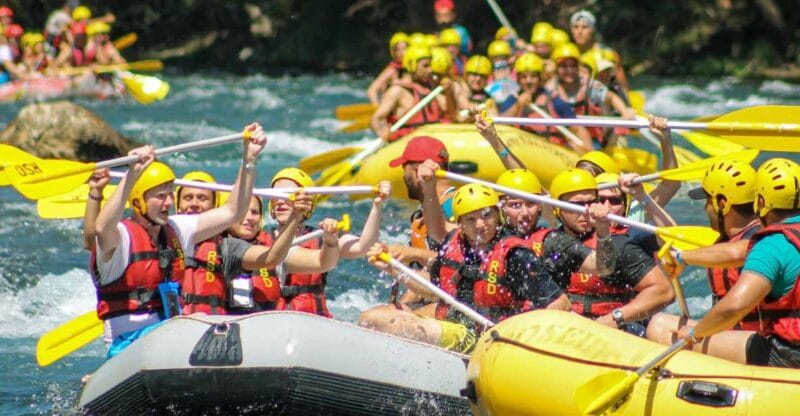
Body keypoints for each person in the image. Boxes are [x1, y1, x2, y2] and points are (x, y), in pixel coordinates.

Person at [90, 123, 266, 357]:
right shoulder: (120, 236)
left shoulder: (175, 229)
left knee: (204, 323)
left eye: (170, 195)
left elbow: (232, 212)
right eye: (160, 197)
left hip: (168, 339)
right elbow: (101, 227)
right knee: (196, 321)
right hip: (126, 348)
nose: (168, 203)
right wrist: (132, 175)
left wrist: (249, 159)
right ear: (138, 202)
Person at [361, 183, 570, 353]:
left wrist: (523, 341)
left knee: (394, 324)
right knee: (371, 318)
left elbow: (561, 304)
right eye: (471, 219)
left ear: (498, 216)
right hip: (452, 322)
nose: (480, 225)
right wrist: (394, 269)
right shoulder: (454, 244)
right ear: (460, 224)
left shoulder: (516, 255)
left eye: (486, 215)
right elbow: (436, 291)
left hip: (485, 338)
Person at [675, 158, 800, 368]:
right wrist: (682, 257)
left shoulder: (772, 245)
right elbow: (739, 251)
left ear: (761, 203)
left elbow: (733, 307)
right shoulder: (781, 242)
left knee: (660, 326)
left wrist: (695, 334)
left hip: (786, 355)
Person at [646, 160, 762, 342]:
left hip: (757, 340)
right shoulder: (730, 238)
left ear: (722, 204)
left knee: (659, 325)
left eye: (708, 201)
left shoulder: (760, 239)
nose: (705, 208)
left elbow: (739, 252)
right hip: (736, 333)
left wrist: (682, 258)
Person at [550, 169, 674, 334]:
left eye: (592, 203)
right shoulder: (549, 241)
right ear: (557, 209)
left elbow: (664, 289)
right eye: (578, 205)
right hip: (566, 326)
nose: (587, 210)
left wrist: (642, 195)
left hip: (613, 327)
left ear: (625, 206)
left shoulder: (624, 240)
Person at [266, 167, 391, 316]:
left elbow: (363, 247)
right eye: (275, 196)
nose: (280, 201)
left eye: (288, 196)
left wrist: (377, 205)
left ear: (307, 202)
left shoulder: (322, 237)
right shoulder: (260, 241)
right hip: (272, 317)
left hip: (313, 318)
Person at [360, 136, 455, 317]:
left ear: (418, 170)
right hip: (432, 298)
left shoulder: (458, 208)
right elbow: (423, 276)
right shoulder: (420, 216)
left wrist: (412, 253)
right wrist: (400, 305)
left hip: (457, 305)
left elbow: (460, 263)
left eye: (404, 169)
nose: (403, 177)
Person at [495, 168, 618, 285]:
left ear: (540, 206)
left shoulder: (555, 241)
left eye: (531, 203)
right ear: (501, 208)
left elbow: (604, 267)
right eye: (515, 205)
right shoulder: (490, 239)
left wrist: (602, 228)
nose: (525, 213)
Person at [545, 42, 634, 152]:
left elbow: (611, 98)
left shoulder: (590, 85)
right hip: (561, 141)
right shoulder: (550, 88)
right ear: (556, 68)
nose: (569, 70)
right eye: (564, 66)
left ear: (578, 67)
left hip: (592, 141)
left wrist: (624, 111)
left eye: (573, 66)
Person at [370, 45, 447, 142]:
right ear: (412, 65)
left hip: (431, 139)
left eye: (430, 65)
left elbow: (447, 110)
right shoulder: (397, 91)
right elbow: (376, 119)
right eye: (425, 66)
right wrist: (383, 133)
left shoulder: (429, 90)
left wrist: (449, 91)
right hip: (407, 143)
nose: (430, 70)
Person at [570, 10, 628, 93]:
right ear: (571, 30)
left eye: (584, 27)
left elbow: (622, 86)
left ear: (592, 30)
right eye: (576, 27)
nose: (579, 32)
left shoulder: (609, 54)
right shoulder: (568, 54)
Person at [447, 55, 492, 123]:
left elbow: (493, 116)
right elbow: (459, 115)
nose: (478, 79)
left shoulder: (488, 98)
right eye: (474, 74)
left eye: (482, 76)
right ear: (467, 75)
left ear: (486, 79)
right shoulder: (458, 86)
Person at [366, 32, 408, 106]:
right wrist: (378, 108)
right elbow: (371, 90)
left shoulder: (412, 69)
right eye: (398, 50)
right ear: (394, 53)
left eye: (405, 49)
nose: (402, 53)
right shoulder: (391, 70)